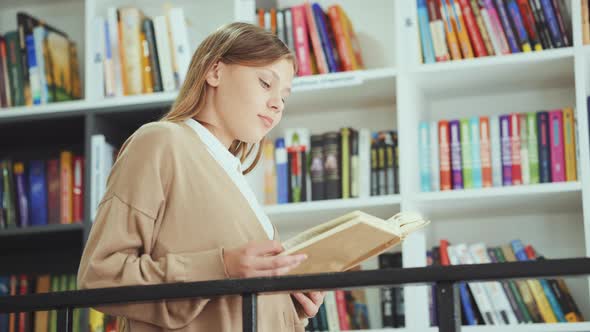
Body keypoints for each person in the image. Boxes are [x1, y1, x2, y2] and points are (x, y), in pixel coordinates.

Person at [77, 22, 325, 332]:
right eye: (265, 83)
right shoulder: (160, 142)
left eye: (284, 97)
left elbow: (233, 305)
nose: (277, 104)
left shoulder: (233, 175)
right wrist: (222, 266)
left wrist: (293, 305)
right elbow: (100, 277)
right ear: (215, 71)